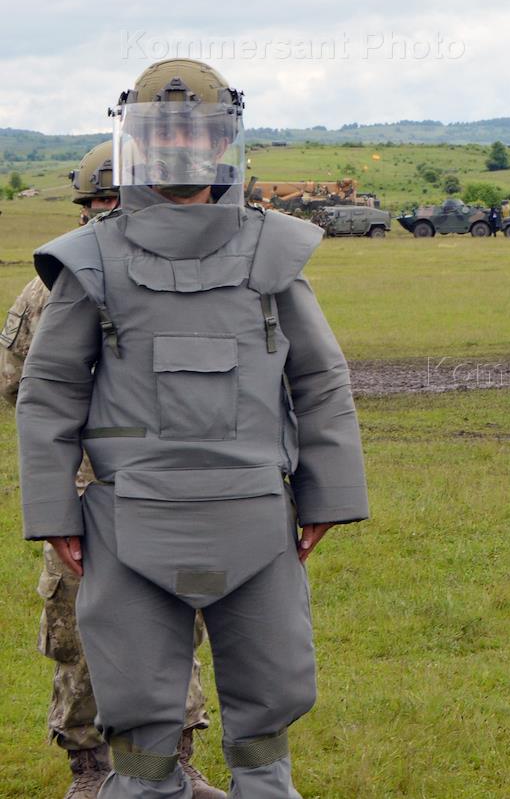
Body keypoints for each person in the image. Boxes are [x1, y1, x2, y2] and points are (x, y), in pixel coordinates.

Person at [17, 58, 369, 799]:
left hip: (256, 516)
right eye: (163, 134)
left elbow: (320, 378)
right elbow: (48, 393)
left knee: (268, 704)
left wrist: (328, 497)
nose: (179, 150)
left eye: (195, 134)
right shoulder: (92, 259)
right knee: (138, 722)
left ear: (222, 142)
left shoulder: (273, 252)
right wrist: (54, 513)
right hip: (127, 520)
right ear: (136, 144)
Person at [3, 143, 224, 799]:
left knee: (174, 624)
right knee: (80, 634)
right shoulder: (49, 287)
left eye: (116, 200)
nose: (105, 212)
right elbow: (18, 388)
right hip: (83, 492)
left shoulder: (184, 282)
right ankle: (90, 767)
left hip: (169, 487)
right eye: (96, 202)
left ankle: (174, 760)